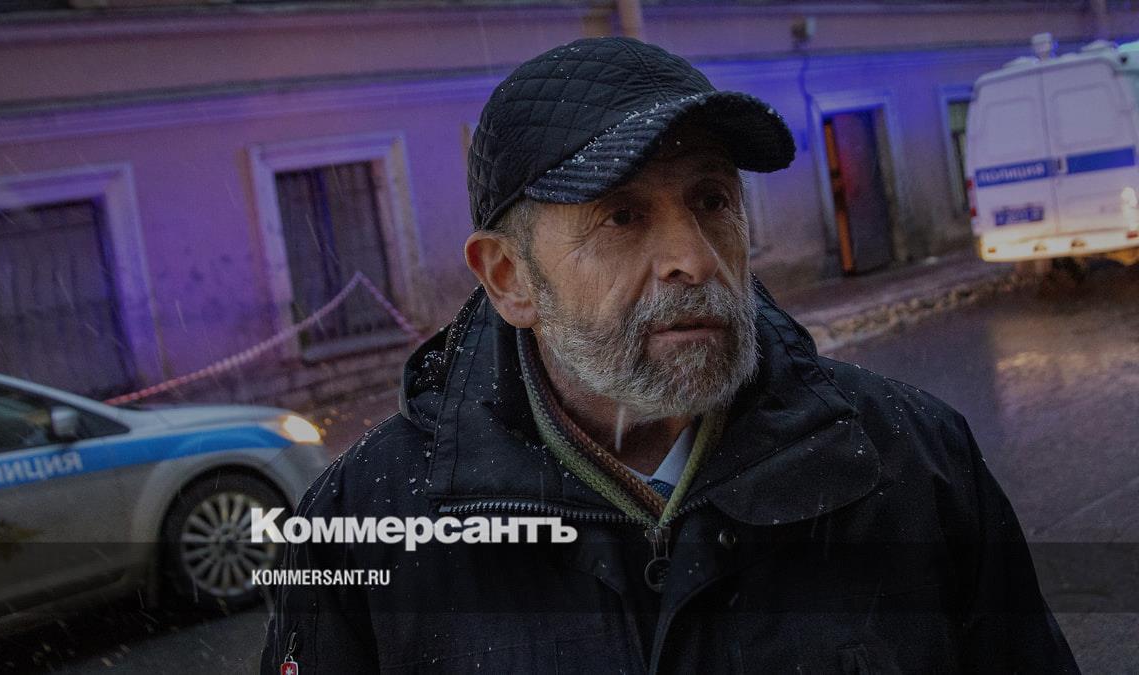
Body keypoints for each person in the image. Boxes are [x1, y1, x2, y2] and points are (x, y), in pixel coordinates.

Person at [261, 36, 1077, 673]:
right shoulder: (358, 530)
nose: (693, 257)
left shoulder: (912, 462)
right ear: (510, 278)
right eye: (621, 216)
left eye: (712, 199)